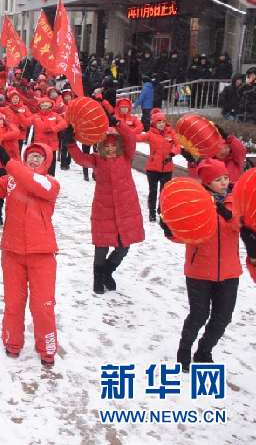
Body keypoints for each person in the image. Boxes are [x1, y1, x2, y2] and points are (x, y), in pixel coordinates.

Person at [0, 142, 60, 366]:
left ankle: (47, 349)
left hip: (42, 254)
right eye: (30, 156)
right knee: (13, 303)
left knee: (43, 305)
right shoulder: (12, 180)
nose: (34, 159)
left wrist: (8, 161)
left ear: (46, 162)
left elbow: (31, 181)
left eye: (38, 157)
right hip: (12, 252)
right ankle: (12, 343)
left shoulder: (50, 183)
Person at [159, 159, 243, 371]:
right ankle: (184, 349)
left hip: (229, 271)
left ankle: (204, 351)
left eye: (225, 178)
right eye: (218, 179)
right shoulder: (195, 200)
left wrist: (226, 213)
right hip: (199, 270)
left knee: (223, 318)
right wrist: (170, 230)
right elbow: (185, 234)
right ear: (207, 182)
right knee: (199, 315)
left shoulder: (236, 200)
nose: (224, 182)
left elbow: (241, 225)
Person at [66, 116, 145, 294]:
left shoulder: (126, 157)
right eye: (106, 147)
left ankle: (107, 272)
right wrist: (70, 143)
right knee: (101, 246)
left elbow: (131, 138)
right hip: (104, 209)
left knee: (123, 246)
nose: (110, 149)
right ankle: (97, 278)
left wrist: (118, 123)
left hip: (126, 209)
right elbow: (80, 158)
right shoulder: (96, 160)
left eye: (113, 146)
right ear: (101, 148)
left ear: (118, 147)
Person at [137, 111, 179, 222]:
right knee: (153, 191)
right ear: (154, 123)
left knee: (164, 192)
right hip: (153, 168)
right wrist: (125, 133)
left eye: (163, 122)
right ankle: (152, 212)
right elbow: (138, 138)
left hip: (167, 168)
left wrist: (172, 153)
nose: (161, 124)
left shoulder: (171, 133)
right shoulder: (150, 134)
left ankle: (161, 212)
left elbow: (177, 145)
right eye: (159, 122)